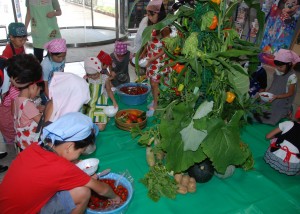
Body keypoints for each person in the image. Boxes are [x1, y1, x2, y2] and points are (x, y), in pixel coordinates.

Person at [0, 112, 121, 213]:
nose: (78, 157)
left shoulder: (34, 147)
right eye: (80, 151)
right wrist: (115, 197)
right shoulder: (61, 167)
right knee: (83, 192)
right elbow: (103, 190)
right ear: (69, 147)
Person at [0, 54, 43, 172]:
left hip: (20, 143)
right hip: (30, 145)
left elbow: (18, 114)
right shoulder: (28, 104)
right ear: (33, 86)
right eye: (38, 90)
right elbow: (42, 123)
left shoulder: (16, 99)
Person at [0, 23, 28, 153]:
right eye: (20, 39)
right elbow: (7, 77)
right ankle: (9, 139)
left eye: (24, 39)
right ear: (11, 37)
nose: (23, 42)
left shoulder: (20, 47)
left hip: (13, 81)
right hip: (7, 83)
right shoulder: (7, 53)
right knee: (7, 114)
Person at [139, 0, 171, 117]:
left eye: (152, 14)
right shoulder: (151, 26)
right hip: (151, 59)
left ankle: (156, 106)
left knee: (155, 83)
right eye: (148, 14)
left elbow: (166, 49)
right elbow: (149, 42)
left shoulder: (164, 28)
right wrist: (143, 53)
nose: (149, 17)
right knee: (152, 83)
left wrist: (152, 59)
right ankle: (155, 101)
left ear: (159, 13)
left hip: (159, 61)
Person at [257, 49, 300, 125]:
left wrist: (277, 96)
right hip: (273, 95)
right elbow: (274, 85)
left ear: (289, 64)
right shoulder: (278, 71)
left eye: (281, 67)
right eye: (277, 66)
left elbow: (290, 93)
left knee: (271, 115)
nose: (278, 68)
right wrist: (266, 92)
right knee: (259, 108)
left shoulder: (292, 77)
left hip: (283, 99)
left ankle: (287, 110)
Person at [83, 56, 118, 131]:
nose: (92, 77)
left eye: (95, 74)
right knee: (85, 124)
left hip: (101, 105)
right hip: (89, 104)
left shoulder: (105, 78)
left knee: (101, 128)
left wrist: (114, 101)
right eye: (90, 75)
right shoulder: (86, 79)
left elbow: (109, 90)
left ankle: (99, 121)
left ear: (99, 70)